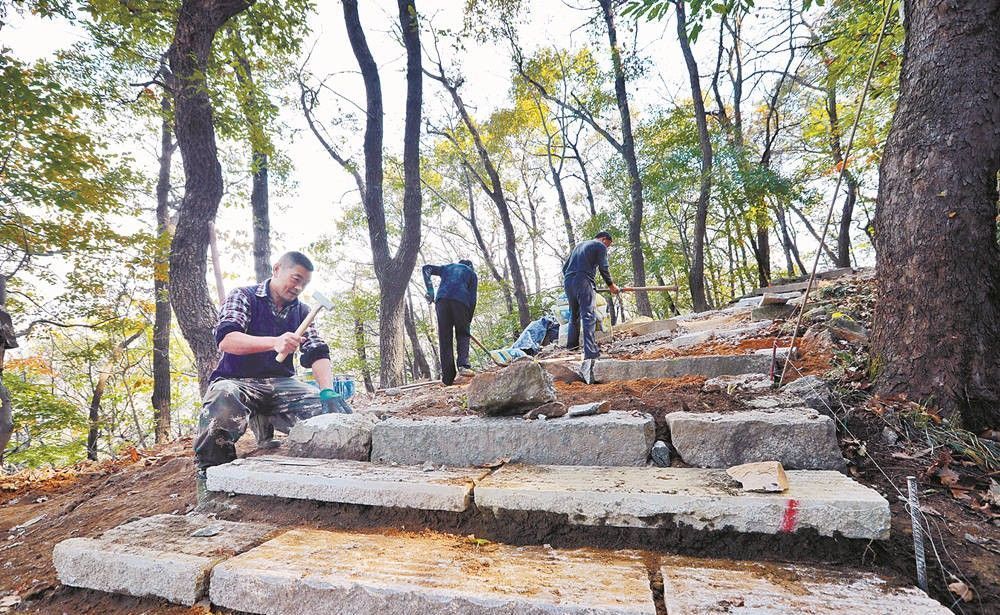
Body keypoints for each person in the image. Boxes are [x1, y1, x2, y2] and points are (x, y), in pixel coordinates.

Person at [194, 251, 349, 481]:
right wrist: (274, 342)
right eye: (296, 279)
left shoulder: (303, 312)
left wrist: (327, 390)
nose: (299, 288)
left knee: (334, 415)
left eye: (304, 284)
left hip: (282, 385)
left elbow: (317, 352)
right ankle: (212, 474)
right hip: (238, 381)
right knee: (222, 397)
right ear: (277, 269)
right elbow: (227, 340)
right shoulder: (244, 296)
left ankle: (268, 420)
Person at [562, 231, 621, 383]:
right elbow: (603, 267)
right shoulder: (599, 246)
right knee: (588, 315)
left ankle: (572, 348)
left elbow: (565, 268)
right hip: (583, 280)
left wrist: (573, 279)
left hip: (568, 281)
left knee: (574, 315)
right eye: (608, 245)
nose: (607, 248)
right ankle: (591, 353)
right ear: (603, 239)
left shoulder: (578, 246)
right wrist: (611, 285)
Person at [423, 259, 478, 385]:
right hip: (461, 302)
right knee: (463, 334)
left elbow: (427, 268)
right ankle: (463, 366)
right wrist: (468, 319)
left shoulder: (447, 268)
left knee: (445, 338)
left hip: (441, 301)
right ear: (470, 266)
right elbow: (473, 298)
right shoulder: (471, 273)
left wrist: (430, 291)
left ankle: (448, 378)